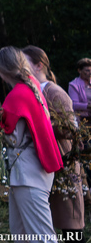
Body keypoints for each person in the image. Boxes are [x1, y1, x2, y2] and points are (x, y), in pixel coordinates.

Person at [0, 47, 62, 239]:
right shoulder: (32, 85)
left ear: (1, 71)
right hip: (29, 171)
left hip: (28, 174)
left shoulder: (17, 95)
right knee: (20, 233)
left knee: (41, 236)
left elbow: (12, 139)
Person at [23, 46, 85, 242]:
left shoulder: (54, 91)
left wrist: (41, 123)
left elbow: (71, 129)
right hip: (48, 166)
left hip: (64, 164)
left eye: (24, 64)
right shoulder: (32, 91)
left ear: (39, 65)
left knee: (71, 227)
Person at [67, 57, 91, 123]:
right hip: (83, 120)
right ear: (79, 71)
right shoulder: (74, 85)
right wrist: (88, 106)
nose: (90, 73)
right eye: (87, 70)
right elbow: (74, 104)